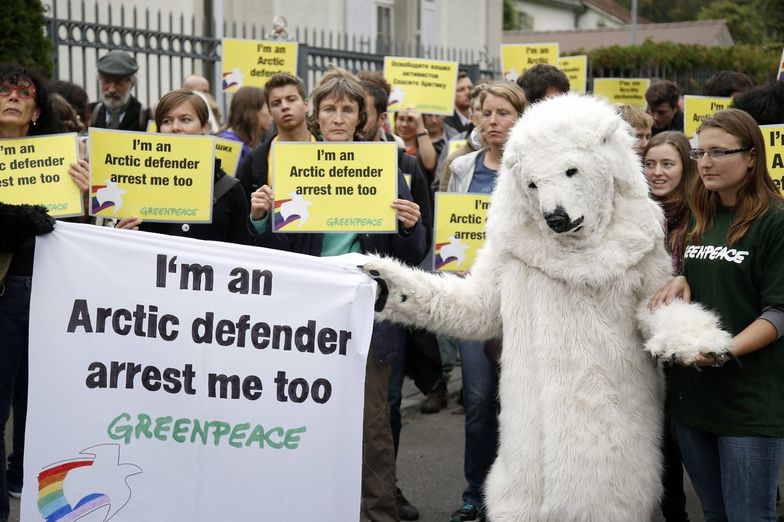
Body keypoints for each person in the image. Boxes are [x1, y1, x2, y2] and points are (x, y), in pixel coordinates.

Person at [251, 76, 427, 522]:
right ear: (316, 114)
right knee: (307, 416)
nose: (338, 118)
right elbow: (276, 253)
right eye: (329, 109)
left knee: (372, 422)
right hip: (309, 312)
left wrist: (408, 225)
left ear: (361, 118)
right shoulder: (293, 164)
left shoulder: (383, 165)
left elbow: (411, 254)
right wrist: (258, 219)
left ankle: (377, 513)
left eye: (348, 110)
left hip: (367, 311)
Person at [650, 109, 784, 521]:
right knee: (714, 514)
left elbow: (778, 313)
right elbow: (715, 275)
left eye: (718, 152)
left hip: (748, 404)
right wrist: (683, 279)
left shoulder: (774, 221)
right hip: (692, 401)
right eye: (699, 152)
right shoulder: (699, 215)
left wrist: (723, 351)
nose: (704, 163)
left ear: (751, 157)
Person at [0, 63, 88, 522]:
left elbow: (76, 230)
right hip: (4, 292)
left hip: (49, 290)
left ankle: (22, 474)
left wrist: (85, 196)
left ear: (36, 110)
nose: (13, 96)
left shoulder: (57, 160)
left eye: (24, 92)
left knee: (37, 395)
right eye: (4, 90)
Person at [444, 80, 528, 522]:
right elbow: (448, 233)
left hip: (524, 304)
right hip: (475, 302)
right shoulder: (460, 169)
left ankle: (520, 492)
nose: (494, 122)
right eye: (487, 113)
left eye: (504, 114)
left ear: (520, 117)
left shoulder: (533, 168)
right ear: (475, 116)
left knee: (522, 401)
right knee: (478, 400)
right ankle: (476, 491)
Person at [643, 131, 699, 522]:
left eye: (667, 164)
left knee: (686, 433)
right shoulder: (634, 213)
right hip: (642, 337)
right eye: (649, 164)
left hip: (688, 335)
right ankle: (673, 511)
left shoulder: (701, 214)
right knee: (658, 434)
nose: (657, 173)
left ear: (685, 167)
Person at [115, 89, 249, 245]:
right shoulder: (137, 185)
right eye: (167, 121)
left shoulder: (231, 191)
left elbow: (241, 255)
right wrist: (122, 235)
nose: (175, 127)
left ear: (205, 126)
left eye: (185, 120)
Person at [235, 73, 314, 202]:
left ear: (306, 105)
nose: (285, 106)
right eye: (276, 103)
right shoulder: (253, 161)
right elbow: (242, 215)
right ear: (270, 111)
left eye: (291, 99)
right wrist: (257, 219)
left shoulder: (329, 151)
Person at [90, 50, 151, 131]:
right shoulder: (92, 113)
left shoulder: (146, 116)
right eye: (106, 81)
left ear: (132, 84)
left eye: (118, 82)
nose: (112, 90)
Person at [218, 86, 272, 163]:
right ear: (253, 111)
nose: (271, 113)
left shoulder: (255, 144)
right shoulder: (228, 143)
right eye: (268, 107)